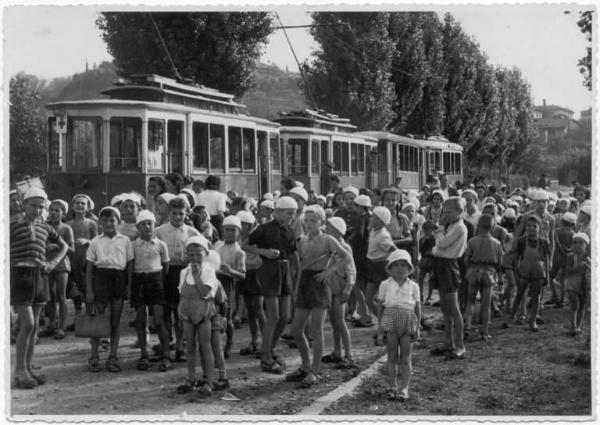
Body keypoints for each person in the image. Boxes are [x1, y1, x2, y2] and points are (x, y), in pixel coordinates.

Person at [285, 205, 353, 388]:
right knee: (296, 329)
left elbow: (346, 257)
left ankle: (315, 371)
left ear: (321, 222)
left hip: (320, 285)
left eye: (313, 220)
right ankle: (305, 364)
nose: (308, 224)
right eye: (306, 220)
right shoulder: (302, 240)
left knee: (316, 328)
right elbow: (301, 265)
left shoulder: (328, 239)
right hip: (305, 282)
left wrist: (330, 272)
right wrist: (296, 287)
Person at [11, 188, 68, 389]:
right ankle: (18, 370)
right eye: (33, 205)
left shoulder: (46, 228)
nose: (37, 210)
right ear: (23, 204)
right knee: (26, 324)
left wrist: (52, 264)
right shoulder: (12, 226)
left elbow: (64, 246)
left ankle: (27, 368)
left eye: (41, 206)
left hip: (40, 277)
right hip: (21, 276)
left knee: (34, 327)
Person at [247, 196, 299, 374]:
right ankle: (266, 357)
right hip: (269, 270)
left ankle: (269, 348)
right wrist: (264, 252)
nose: (292, 217)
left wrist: (297, 276)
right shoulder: (264, 229)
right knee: (274, 316)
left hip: (285, 271)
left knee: (285, 316)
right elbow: (245, 245)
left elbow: (293, 256)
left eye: (294, 213)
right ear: (277, 212)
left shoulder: (289, 231)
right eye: (289, 213)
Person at [85, 206, 134, 372]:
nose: (108, 223)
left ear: (118, 222)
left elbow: (129, 265)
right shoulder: (95, 241)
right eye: (104, 220)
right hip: (101, 279)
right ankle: (94, 356)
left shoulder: (125, 241)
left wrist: (128, 286)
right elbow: (90, 268)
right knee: (98, 319)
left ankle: (113, 356)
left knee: (115, 320)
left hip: (118, 279)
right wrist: (90, 291)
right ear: (99, 223)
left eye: (112, 220)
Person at [155, 197, 201, 362]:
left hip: (184, 273)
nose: (177, 217)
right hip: (166, 273)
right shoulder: (159, 232)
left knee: (181, 313)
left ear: (186, 213)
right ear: (169, 212)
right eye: (174, 213)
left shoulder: (192, 232)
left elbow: (203, 251)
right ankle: (165, 348)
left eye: (181, 214)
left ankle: (181, 347)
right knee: (165, 312)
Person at [175, 235, 219, 397]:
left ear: (205, 254)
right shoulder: (183, 272)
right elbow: (183, 293)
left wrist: (197, 276)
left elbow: (205, 293)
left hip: (203, 311)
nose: (194, 258)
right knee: (190, 346)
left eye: (198, 254)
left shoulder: (208, 271)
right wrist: (181, 310)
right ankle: (191, 378)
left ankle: (208, 380)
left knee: (205, 346)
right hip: (187, 311)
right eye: (191, 254)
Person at [376, 249, 420, 401]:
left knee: (406, 357)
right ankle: (392, 386)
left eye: (403, 265)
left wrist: (417, 327)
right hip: (390, 319)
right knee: (392, 356)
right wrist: (380, 330)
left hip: (408, 319)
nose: (400, 269)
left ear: (409, 269)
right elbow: (380, 307)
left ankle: (404, 388)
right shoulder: (385, 284)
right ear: (390, 268)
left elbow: (417, 308)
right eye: (396, 265)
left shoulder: (413, 286)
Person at [131, 210, 171, 372]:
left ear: (155, 226)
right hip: (139, 282)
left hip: (156, 281)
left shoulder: (161, 245)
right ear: (138, 227)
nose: (147, 227)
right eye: (143, 224)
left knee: (159, 321)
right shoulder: (133, 245)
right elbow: (131, 266)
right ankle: (143, 355)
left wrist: (158, 280)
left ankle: (166, 355)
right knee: (141, 320)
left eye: (150, 223)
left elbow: (165, 267)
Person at [428, 197, 467, 360]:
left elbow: (441, 244)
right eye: (445, 212)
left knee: (453, 307)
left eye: (450, 212)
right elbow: (436, 248)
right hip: (440, 264)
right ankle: (448, 341)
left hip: (449, 266)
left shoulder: (459, 227)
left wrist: (439, 229)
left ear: (460, 212)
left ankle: (460, 346)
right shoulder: (450, 225)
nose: (447, 215)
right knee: (444, 306)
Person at [322, 217, 357, 369]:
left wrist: (348, 289)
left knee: (340, 321)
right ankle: (337, 351)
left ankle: (349, 355)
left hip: (340, 286)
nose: (326, 229)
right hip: (330, 286)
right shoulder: (329, 246)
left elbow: (351, 270)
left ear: (337, 230)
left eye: (329, 227)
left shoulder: (344, 247)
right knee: (334, 321)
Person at [505, 215, 551, 332]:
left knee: (536, 297)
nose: (531, 228)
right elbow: (516, 259)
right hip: (524, 271)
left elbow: (546, 261)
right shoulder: (521, 241)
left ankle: (533, 321)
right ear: (525, 227)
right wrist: (516, 273)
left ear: (539, 228)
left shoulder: (544, 242)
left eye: (534, 226)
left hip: (538, 272)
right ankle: (511, 318)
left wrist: (547, 276)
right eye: (529, 226)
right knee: (519, 295)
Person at [462, 215, 503, 340]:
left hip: (474, 271)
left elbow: (466, 258)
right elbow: (500, 263)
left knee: (470, 302)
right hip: (489, 273)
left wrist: (469, 269)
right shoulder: (497, 243)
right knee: (486, 304)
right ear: (492, 227)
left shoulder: (473, 241)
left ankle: (466, 326)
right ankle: (484, 331)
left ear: (478, 225)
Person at [213, 215, 246, 359]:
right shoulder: (217, 245)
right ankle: (216, 343)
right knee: (215, 314)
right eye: (227, 230)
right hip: (214, 281)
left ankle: (228, 343)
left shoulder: (239, 252)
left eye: (233, 230)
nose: (230, 233)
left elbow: (243, 275)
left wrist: (230, 271)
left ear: (239, 232)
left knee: (226, 316)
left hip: (227, 284)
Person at [41, 199, 74, 340]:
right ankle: (51, 325)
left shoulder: (66, 228)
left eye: (57, 210)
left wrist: (60, 246)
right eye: (51, 210)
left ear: (63, 214)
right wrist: (46, 247)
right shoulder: (43, 226)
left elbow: (72, 249)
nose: (53, 213)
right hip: (47, 264)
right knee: (49, 296)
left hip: (61, 265)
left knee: (61, 295)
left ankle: (62, 326)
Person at [65, 194, 99, 331]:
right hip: (73, 261)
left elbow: (97, 241)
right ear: (72, 206)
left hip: (87, 260)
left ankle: (90, 319)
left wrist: (87, 241)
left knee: (87, 289)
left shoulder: (91, 223)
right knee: (75, 291)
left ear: (88, 207)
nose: (80, 206)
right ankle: (78, 320)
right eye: (77, 203)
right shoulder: (68, 224)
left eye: (83, 204)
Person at [365, 206, 396, 345]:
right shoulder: (373, 231)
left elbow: (394, 250)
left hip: (381, 267)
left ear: (381, 221)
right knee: (369, 299)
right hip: (372, 266)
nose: (371, 219)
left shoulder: (383, 235)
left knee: (382, 300)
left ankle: (383, 330)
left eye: (374, 217)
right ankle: (385, 323)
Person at [237, 210, 265, 357]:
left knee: (258, 309)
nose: (242, 227)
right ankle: (255, 341)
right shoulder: (238, 238)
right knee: (250, 311)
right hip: (244, 274)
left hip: (256, 273)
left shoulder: (257, 237)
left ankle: (265, 343)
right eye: (240, 224)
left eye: (245, 225)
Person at [547, 212, 576, 308]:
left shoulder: (557, 231)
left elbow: (556, 244)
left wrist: (561, 250)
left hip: (557, 257)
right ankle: (562, 300)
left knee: (551, 277)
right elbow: (573, 247)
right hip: (568, 258)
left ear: (563, 221)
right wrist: (567, 251)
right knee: (563, 280)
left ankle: (555, 295)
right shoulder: (573, 234)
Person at [565, 233, 590, 336]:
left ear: (586, 245)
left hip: (583, 285)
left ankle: (578, 326)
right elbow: (568, 271)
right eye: (575, 243)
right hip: (572, 283)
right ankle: (573, 326)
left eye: (580, 243)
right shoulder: (571, 257)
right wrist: (579, 266)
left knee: (582, 305)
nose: (577, 245)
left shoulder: (588, 258)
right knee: (574, 304)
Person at [419, 220, 437, 305]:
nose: (428, 232)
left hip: (433, 261)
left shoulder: (435, 238)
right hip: (424, 260)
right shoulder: (422, 239)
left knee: (431, 280)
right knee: (420, 279)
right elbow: (420, 249)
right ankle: (420, 296)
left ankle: (429, 297)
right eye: (426, 230)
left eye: (430, 229)